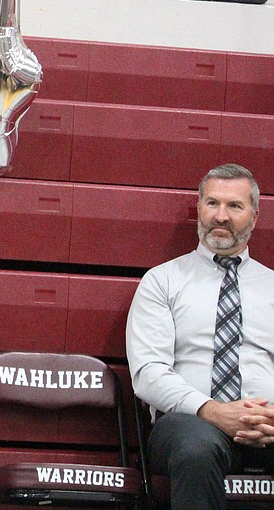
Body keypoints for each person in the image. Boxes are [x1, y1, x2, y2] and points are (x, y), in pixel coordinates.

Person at [127, 163, 274, 510]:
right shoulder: (162, 281)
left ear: (254, 216)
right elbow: (149, 372)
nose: (220, 216)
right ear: (199, 208)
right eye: (212, 204)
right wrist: (211, 410)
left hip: (267, 424)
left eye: (234, 206)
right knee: (197, 449)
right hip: (187, 424)